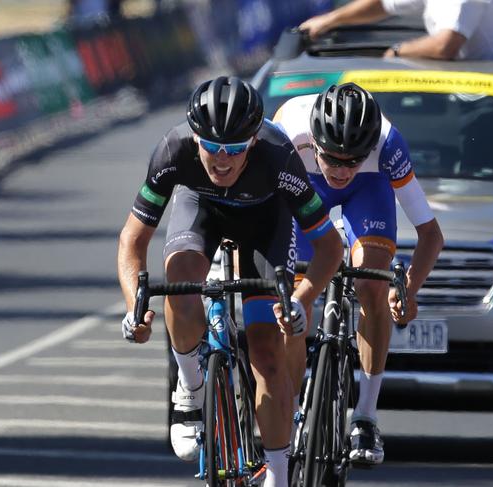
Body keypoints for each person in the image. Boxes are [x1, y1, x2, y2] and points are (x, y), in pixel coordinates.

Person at [117, 76, 343, 487]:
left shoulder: (279, 157)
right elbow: (132, 240)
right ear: (195, 138)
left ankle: (277, 475)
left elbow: (330, 247)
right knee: (180, 287)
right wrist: (136, 306)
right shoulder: (173, 150)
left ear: (253, 142)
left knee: (268, 354)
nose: (223, 160)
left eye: (235, 149)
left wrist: (303, 298)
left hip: (264, 225)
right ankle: (189, 390)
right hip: (200, 210)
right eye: (212, 147)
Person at [273, 82, 443, 464]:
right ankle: (293, 405)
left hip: (369, 191)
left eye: (353, 159)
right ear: (313, 142)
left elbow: (431, 235)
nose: (341, 169)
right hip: (304, 185)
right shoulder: (284, 134)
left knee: (371, 284)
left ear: (370, 148)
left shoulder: (388, 144)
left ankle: (365, 415)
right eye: (332, 158)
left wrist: (408, 289)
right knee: (293, 301)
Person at [299, 0, 493, 61]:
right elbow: (383, 4)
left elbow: (445, 45)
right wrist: (330, 20)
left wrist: (397, 52)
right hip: (483, 79)